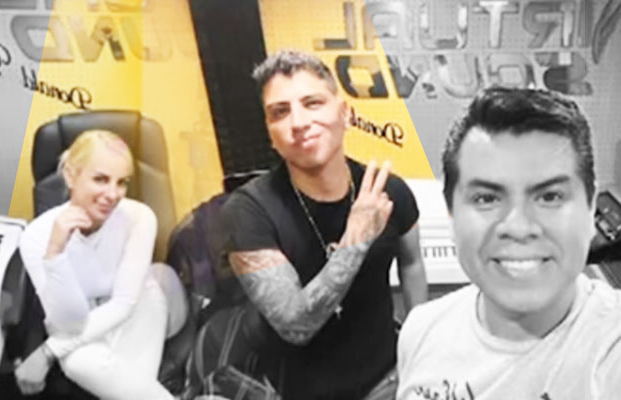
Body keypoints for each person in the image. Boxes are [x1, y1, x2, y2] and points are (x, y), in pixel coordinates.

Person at [216, 50, 428, 399]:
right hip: (295, 391)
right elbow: (295, 325)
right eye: (280, 112)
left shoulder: (389, 190)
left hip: (386, 380)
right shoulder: (247, 211)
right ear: (270, 132)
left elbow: (412, 263)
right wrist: (356, 238)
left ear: (344, 113)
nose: (298, 122)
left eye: (312, 103)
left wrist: (419, 345)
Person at [397, 87, 621, 399]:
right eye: (486, 198)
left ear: (590, 207)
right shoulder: (420, 331)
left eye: (550, 196)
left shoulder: (611, 348)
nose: (518, 227)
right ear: (451, 214)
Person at [16, 130, 181, 400]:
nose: (113, 194)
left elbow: (123, 304)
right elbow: (67, 321)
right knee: (77, 361)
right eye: (101, 179)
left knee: (147, 290)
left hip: (139, 307)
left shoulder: (140, 217)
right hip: (85, 325)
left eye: (122, 182)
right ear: (70, 176)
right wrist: (55, 254)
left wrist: (47, 352)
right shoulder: (36, 236)